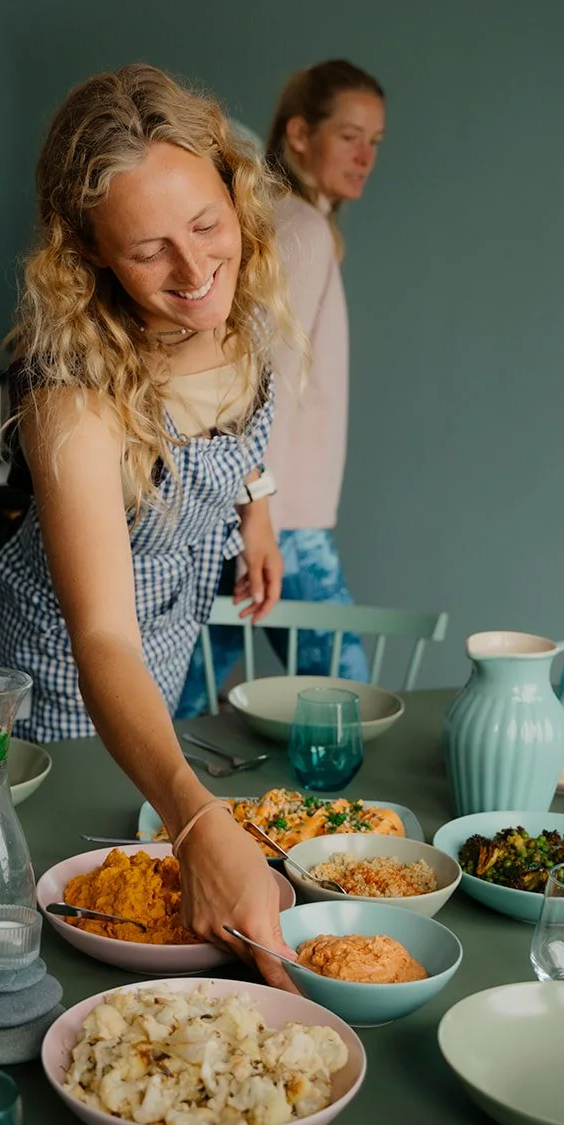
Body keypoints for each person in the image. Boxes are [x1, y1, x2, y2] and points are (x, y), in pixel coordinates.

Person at [0, 62, 299, 984]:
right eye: (147, 251)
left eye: (206, 225)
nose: (195, 271)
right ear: (89, 253)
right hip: (70, 669)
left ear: (235, 195)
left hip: (169, 625)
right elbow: (101, 637)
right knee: (86, 888)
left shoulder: (238, 319)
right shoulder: (73, 398)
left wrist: (257, 512)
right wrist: (196, 817)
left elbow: (243, 429)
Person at [177, 59, 386, 716]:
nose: (365, 157)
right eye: (349, 136)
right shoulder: (301, 230)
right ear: (299, 134)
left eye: (374, 141)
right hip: (282, 519)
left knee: (187, 699)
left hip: (261, 511)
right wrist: (258, 514)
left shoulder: (286, 222)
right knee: (351, 703)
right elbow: (254, 378)